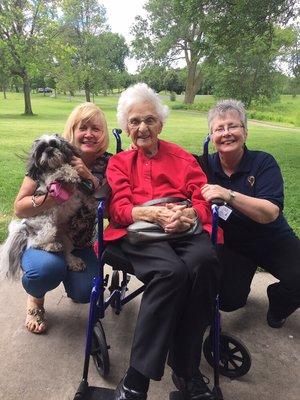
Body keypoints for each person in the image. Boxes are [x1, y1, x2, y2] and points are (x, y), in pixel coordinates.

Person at [104, 83, 221, 400]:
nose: (142, 127)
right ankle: (136, 379)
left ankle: (186, 370)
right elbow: (118, 209)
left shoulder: (182, 158)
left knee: (205, 263)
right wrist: (152, 214)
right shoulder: (119, 163)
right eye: (135, 121)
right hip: (139, 233)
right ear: (127, 126)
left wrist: (191, 216)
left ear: (161, 122)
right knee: (173, 273)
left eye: (149, 120)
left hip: (183, 229)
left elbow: (202, 198)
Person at [200, 99, 300, 329]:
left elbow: (270, 213)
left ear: (245, 131)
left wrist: (228, 194)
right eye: (219, 128)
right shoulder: (204, 165)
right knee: (227, 300)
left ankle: (278, 301)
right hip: (233, 245)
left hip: (272, 238)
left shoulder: (263, 162)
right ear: (211, 135)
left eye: (233, 126)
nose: (226, 133)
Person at [14, 102, 111, 334]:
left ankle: (69, 272)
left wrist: (87, 176)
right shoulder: (46, 162)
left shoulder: (110, 163)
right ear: (73, 132)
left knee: (86, 290)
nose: (89, 134)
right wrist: (53, 198)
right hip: (43, 231)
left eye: (95, 129)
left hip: (80, 242)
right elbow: (19, 208)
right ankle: (36, 299)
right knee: (44, 271)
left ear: (103, 133)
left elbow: (107, 212)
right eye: (83, 128)